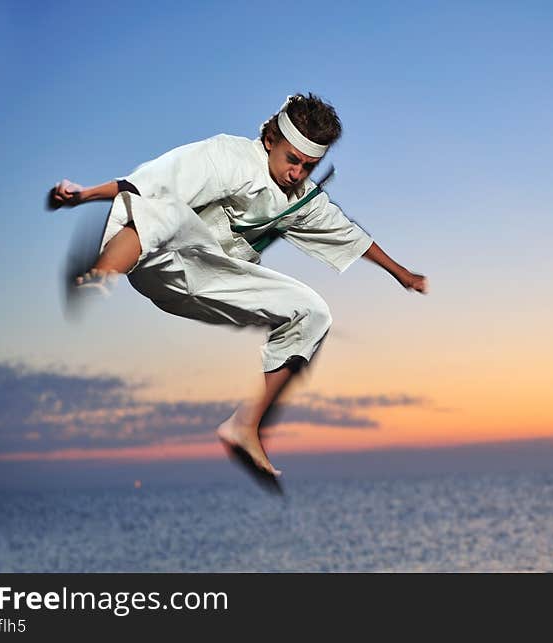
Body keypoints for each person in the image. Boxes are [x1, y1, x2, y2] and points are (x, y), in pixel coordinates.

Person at [48, 93, 427, 483]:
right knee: (163, 207)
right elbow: (156, 180)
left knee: (314, 312)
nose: (297, 173)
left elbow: (350, 235)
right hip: (162, 258)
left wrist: (403, 275)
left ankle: (245, 426)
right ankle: (99, 276)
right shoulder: (230, 156)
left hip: (218, 279)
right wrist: (84, 195)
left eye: (308, 166)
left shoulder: (304, 200)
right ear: (270, 141)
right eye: (292, 160)